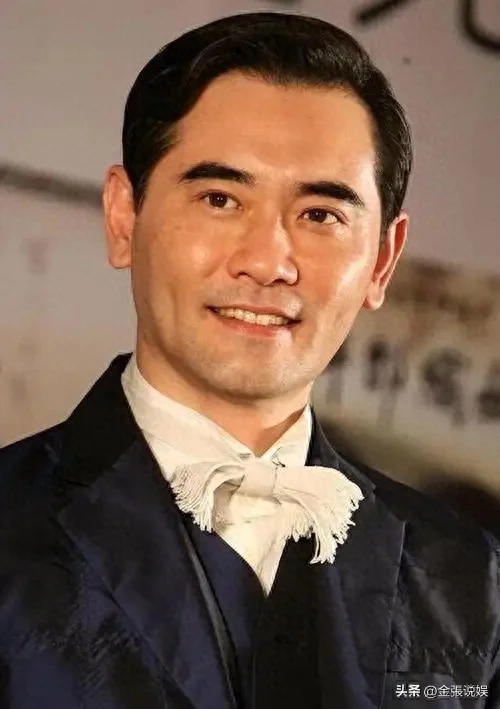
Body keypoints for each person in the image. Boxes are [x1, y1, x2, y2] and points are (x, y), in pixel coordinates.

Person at [0, 12, 498, 709]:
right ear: (123, 217)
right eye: (220, 199)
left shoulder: (470, 578)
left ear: (382, 259)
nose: (267, 262)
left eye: (320, 214)